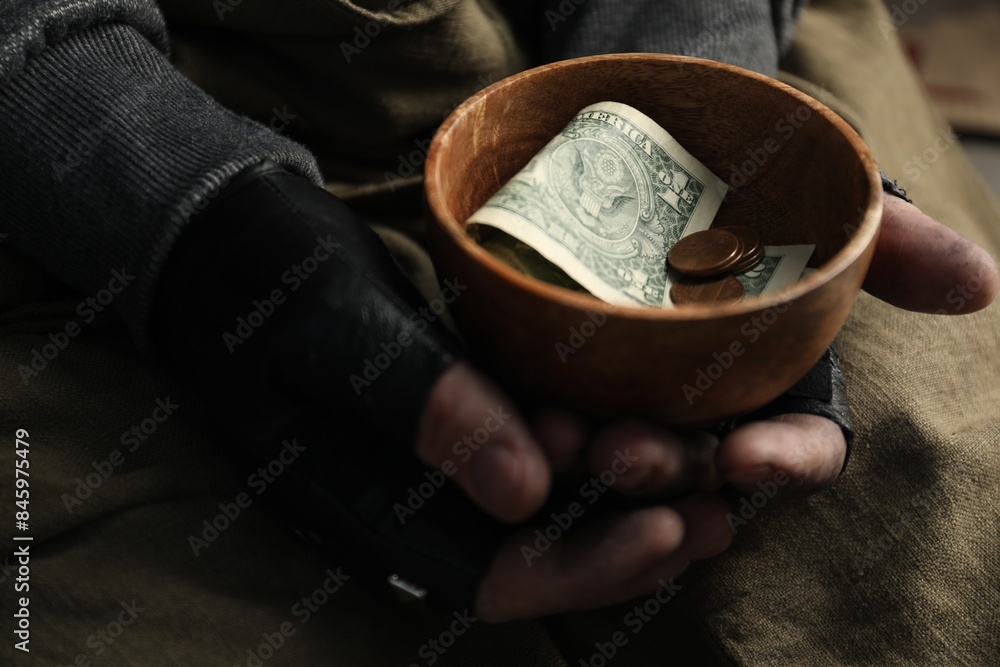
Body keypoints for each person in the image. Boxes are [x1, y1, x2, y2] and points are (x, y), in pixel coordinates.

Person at [0, 0, 996, 664]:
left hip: (668, 29)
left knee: (939, 513)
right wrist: (185, 226)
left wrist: (702, 100)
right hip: (96, 138)